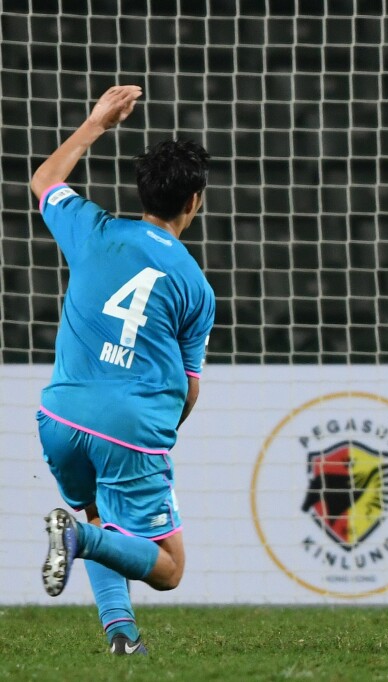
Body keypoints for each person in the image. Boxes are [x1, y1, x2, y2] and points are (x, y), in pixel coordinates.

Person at [32, 85, 215, 656]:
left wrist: (96, 123)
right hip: (128, 427)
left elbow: (44, 180)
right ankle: (78, 538)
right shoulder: (195, 286)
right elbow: (188, 390)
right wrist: (153, 438)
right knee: (168, 568)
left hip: (58, 416)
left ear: (143, 192)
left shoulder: (94, 229)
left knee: (101, 519)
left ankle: (122, 636)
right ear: (194, 202)